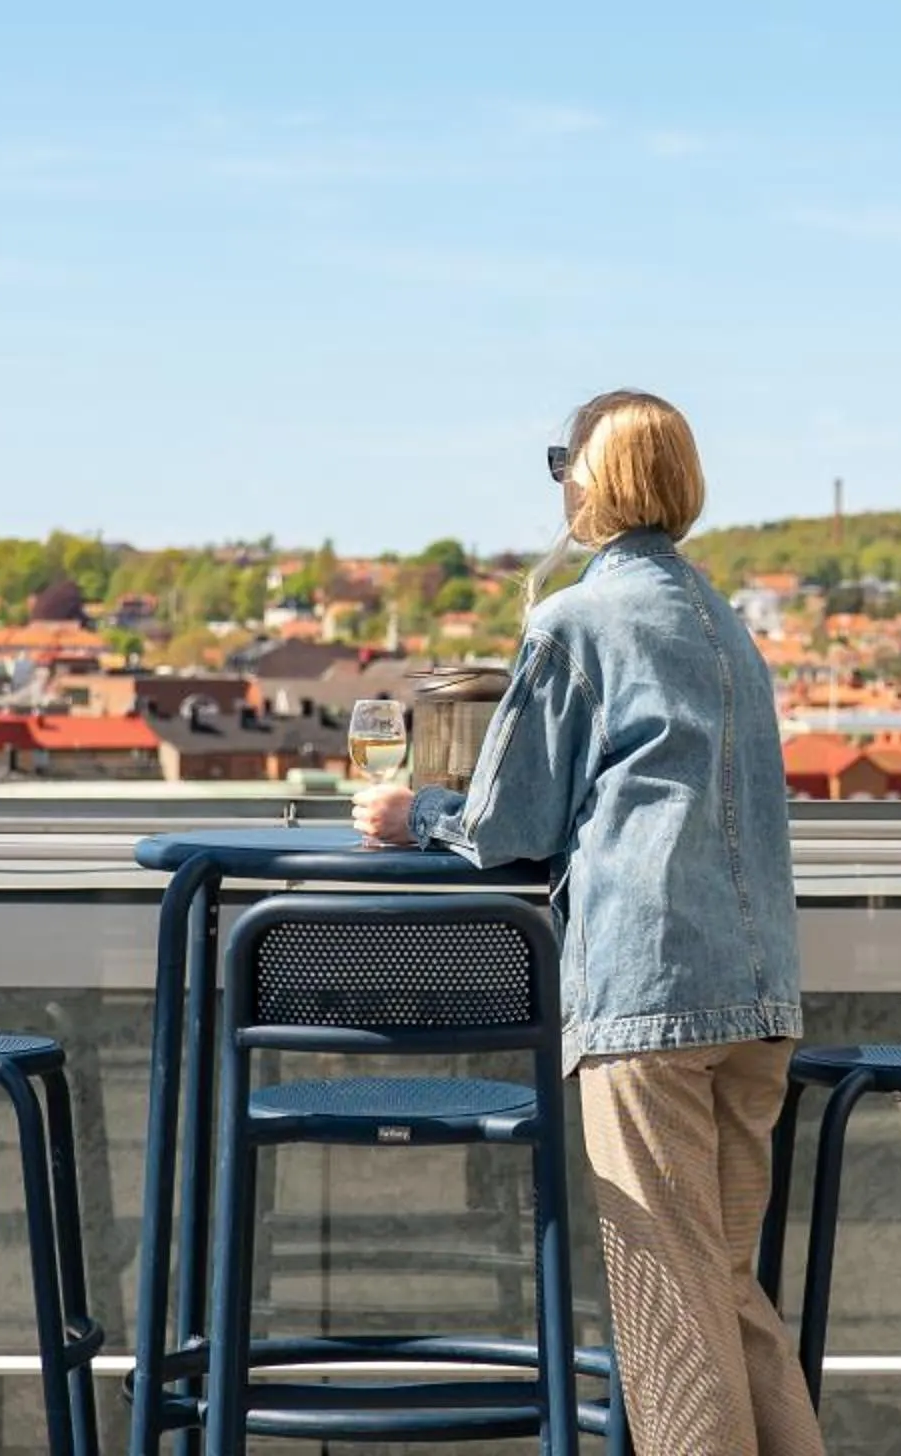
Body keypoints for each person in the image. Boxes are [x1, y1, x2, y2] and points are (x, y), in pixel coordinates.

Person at [351, 390, 823, 1456]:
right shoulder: (724, 622)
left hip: (648, 993)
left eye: (565, 459)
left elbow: (508, 819)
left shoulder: (575, 619)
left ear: (587, 482)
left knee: (668, 1315)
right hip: (760, 996)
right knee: (726, 1293)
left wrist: (412, 810)